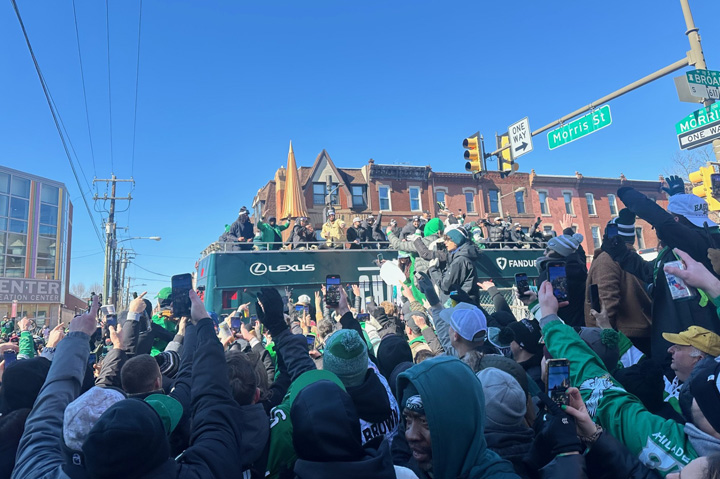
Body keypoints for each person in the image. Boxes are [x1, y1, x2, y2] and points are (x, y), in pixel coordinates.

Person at [537, 279, 720, 475]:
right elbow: (631, 356)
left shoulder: (674, 441)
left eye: (680, 346)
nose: (670, 349)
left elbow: (607, 396)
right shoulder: (666, 377)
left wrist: (548, 317)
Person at [604, 179, 720, 358]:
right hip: (673, 337)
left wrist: (628, 195)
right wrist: (619, 250)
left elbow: (665, 224)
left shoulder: (701, 243)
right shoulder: (672, 250)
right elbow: (649, 272)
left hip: (697, 344)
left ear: (676, 219)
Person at [396, 356, 519, 478]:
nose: (410, 435)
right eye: (408, 420)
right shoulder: (409, 473)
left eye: (425, 422)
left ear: (459, 424)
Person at [499, 318, 544, 391]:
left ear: (521, 345)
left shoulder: (533, 378)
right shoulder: (508, 361)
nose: (507, 342)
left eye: (510, 338)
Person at [437, 228, 480, 305]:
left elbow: (446, 286)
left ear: (457, 241)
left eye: (448, 240)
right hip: (468, 301)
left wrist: (434, 270)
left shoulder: (460, 260)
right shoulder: (464, 256)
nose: (445, 242)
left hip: (462, 303)